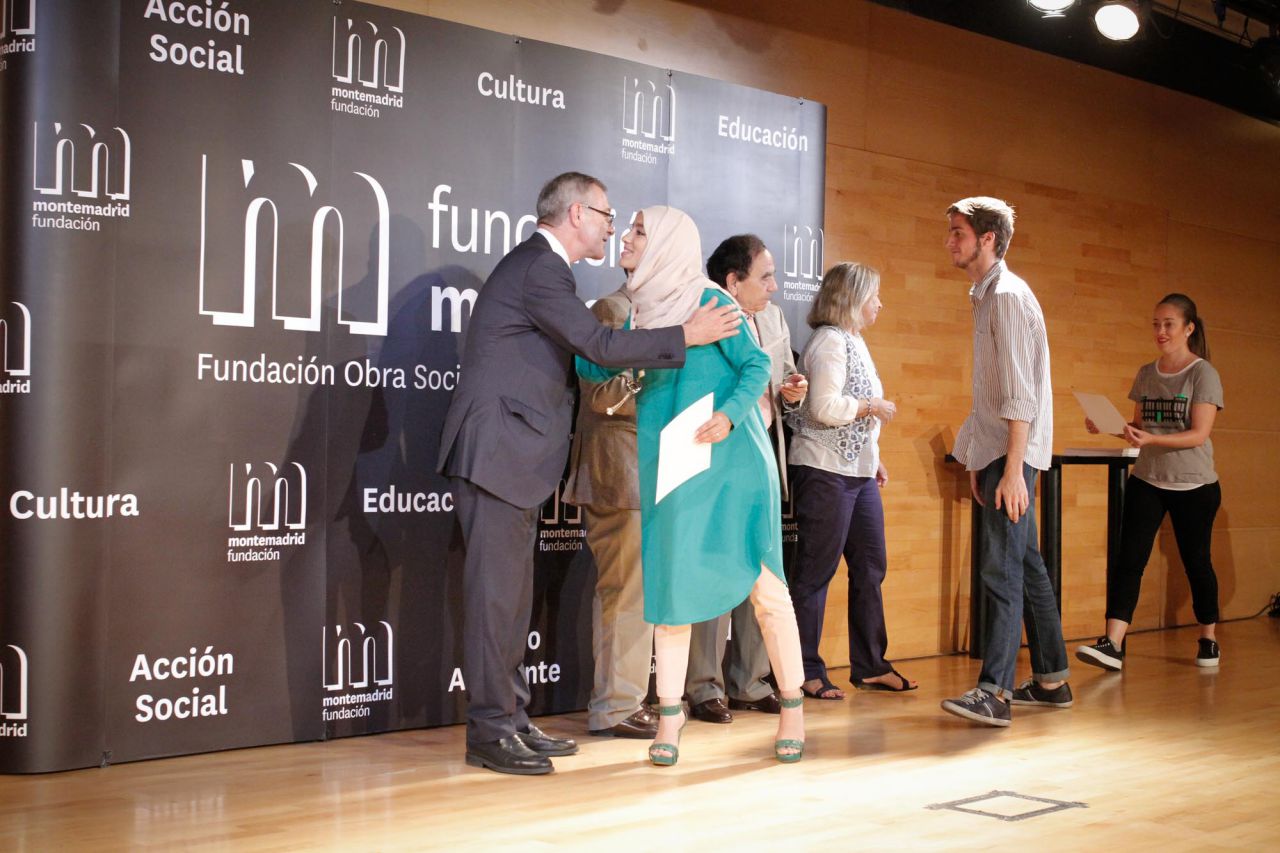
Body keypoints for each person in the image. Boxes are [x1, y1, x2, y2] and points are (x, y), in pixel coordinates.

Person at [437, 173, 741, 775]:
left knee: (510, 601)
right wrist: (687, 334)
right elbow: (598, 344)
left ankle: (512, 719)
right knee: (496, 601)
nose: (611, 225)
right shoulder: (540, 268)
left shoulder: (546, 271)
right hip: (498, 453)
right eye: (607, 214)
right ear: (577, 213)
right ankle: (490, 731)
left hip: (511, 457)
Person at [577, 206, 806, 765]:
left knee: (766, 588)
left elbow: (755, 367)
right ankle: (671, 720)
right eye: (627, 229)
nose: (624, 239)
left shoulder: (711, 299)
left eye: (637, 231)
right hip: (674, 460)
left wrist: (729, 415)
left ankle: (793, 708)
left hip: (733, 455)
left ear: (666, 244)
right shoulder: (635, 312)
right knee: (671, 590)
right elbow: (591, 370)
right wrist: (615, 347)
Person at [938, 196, 1072, 727]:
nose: (950, 241)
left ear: (987, 239)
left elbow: (1020, 393)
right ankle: (1052, 678)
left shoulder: (1009, 297)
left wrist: (1013, 469)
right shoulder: (987, 296)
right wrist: (976, 455)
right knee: (1026, 563)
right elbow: (988, 392)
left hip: (1013, 455)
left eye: (958, 233)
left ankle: (993, 690)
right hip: (998, 450)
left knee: (1000, 566)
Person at [684, 234, 808, 723]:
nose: (776, 286)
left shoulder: (773, 319)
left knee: (763, 571)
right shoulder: (707, 314)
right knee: (715, 572)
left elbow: (783, 375)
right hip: (716, 460)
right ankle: (702, 686)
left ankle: (752, 681)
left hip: (761, 458)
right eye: (765, 276)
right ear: (733, 282)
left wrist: (793, 391)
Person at [785, 262, 918, 700]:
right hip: (823, 469)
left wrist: (873, 458)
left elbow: (855, 422)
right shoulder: (828, 342)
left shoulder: (855, 341)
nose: (879, 303)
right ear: (852, 299)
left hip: (856, 473)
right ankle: (805, 668)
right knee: (816, 572)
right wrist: (871, 405)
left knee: (870, 567)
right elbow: (823, 408)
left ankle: (871, 665)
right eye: (873, 296)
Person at [1076, 294, 1225, 671]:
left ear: (1188, 328)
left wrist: (1151, 439)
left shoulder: (1202, 373)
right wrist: (1110, 427)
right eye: (1156, 323)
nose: (1160, 331)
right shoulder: (1147, 372)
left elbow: (1198, 433)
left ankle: (1208, 637)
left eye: (1169, 324)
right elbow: (1140, 428)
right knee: (1130, 561)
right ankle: (1112, 643)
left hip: (1194, 484)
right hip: (1148, 479)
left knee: (1197, 564)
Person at [563, 279, 654, 740]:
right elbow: (599, 396)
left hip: (654, 475)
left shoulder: (667, 313)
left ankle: (627, 700)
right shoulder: (612, 310)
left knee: (638, 593)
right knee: (625, 591)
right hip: (619, 473)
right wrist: (651, 369)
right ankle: (616, 706)